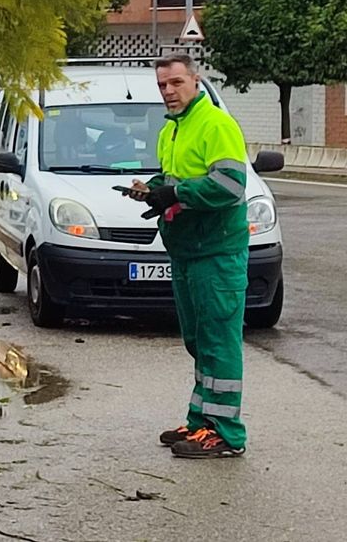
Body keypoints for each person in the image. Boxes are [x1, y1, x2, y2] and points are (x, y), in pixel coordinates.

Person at [127, 54, 251, 459]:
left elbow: (230, 185)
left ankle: (226, 434)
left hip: (216, 252)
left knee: (218, 341)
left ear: (196, 81)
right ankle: (201, 422)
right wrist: (152, 189)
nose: (168, 91)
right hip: (188, 250)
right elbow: (175, 178)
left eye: (176, 83)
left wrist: (175, 194)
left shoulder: (215, 124)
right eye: (162, 85)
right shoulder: (172, 130)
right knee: (199, 340)